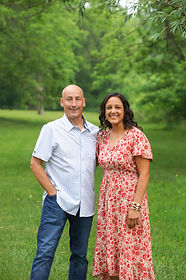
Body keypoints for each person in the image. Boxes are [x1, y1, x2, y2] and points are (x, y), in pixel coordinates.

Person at [30, 84, 99, 280]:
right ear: (62, 102)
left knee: (80, 256)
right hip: (57, 202)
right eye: (69, 99)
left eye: (77, 99)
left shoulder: (95, 133)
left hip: (85, 203)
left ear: (84, 102)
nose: (74, 104)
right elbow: (35, 164)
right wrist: (53, 193)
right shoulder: (51, 129)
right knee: (45, 254)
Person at [93, 92, 155, 280]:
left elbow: (144, 174)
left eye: (117, 107)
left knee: (131, 248)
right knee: (111, 248)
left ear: (125, 110)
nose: (113, 111)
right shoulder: (102, 137)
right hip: (108, 203)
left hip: (129, 201)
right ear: (104, 112)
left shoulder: (136, 136)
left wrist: (135, 207)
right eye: (109, 108)